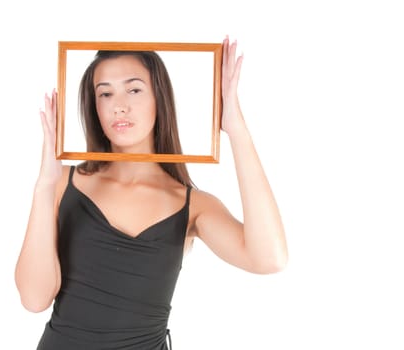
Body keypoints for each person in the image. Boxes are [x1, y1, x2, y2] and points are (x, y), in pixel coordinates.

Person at [15, 36, 288, 350]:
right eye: (105, 93)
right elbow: (34, 299)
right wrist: (44, 186)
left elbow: (270, 259)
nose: (119, 105)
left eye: (133, 89)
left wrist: (236, 127)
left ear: (160, 97)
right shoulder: (63, 182)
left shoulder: (194, 206)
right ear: (95, 106)